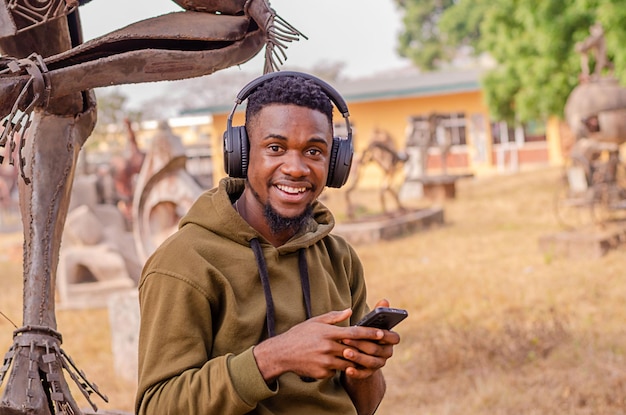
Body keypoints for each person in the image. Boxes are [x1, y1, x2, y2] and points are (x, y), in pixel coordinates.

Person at [135, 71, 401, 415]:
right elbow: (157, 407)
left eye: (314, 151)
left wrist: (364, 367)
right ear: (241, 154)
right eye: (275, 148)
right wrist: (273, 358)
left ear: (335, 164)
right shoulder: (184, 263)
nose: (296, 168)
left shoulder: (339, 258)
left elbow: (364, 406)